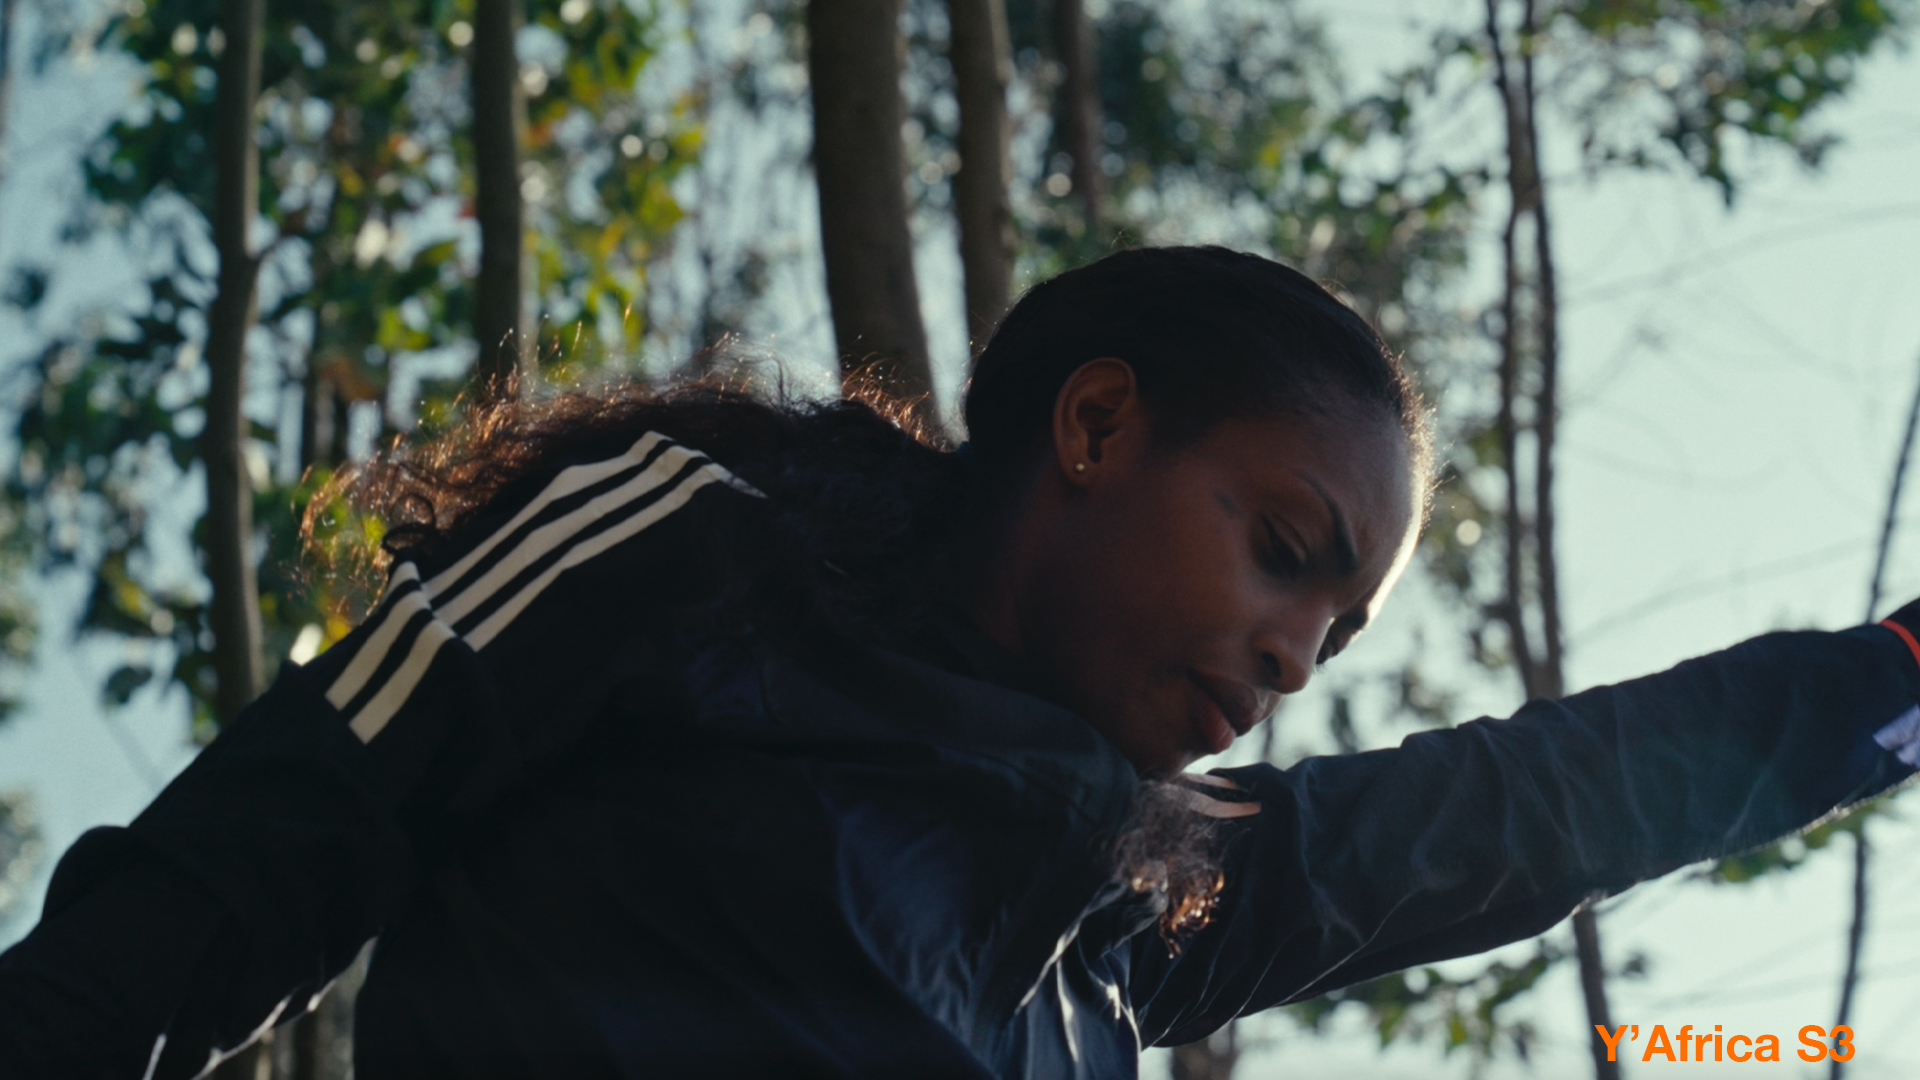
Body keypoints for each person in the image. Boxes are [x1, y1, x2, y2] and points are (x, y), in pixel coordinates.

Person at [2, 246, 1917, 1080]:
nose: (1295, 654)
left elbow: (1534, 805)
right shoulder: (695, 548)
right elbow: (240, 868)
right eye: (1284, 551)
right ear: (1094, 429)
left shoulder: (1138, 905)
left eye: (1337, 636)